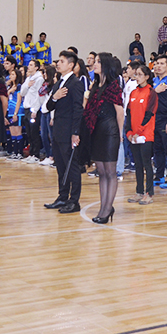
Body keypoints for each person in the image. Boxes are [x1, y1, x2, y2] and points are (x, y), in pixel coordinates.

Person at [81, 53, 124, 223]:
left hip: (109, 130)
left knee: (110, 171)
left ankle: (107, 209)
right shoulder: (95, 86)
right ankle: (103, 207)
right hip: (97, 130)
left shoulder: (113, 86)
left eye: (98, 61)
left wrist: (120, 134)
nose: (95, 64)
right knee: (101, 172)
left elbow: (119, 111)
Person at [43, 51, 84, 211]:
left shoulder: (76, 84)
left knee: (71, 166)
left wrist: (75, 132)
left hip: (69, 132)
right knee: (60, 166)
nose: (58, 64)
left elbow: (78, 110)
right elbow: (48, 106)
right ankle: (62, 196)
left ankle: (74, 201)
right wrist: (55, 97)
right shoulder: (58, 83)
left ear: (71, 65)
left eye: (61, 61)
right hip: (58, 130)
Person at [125, 64, 158, 205]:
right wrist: (129, 132)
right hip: (134, 136)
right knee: (137, 164)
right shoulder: (133, 93)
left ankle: (149, 193)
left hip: (146, 135)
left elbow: (149, 114)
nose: (137, 77)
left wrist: (138, 131)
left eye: (139, 74)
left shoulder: (151, 93)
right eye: (136, 74)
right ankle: (139, 191)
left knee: (146, 164)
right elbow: (129, 113)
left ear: (146, 76)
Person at [152, 56, 167, 188]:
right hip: (155, 118)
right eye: (156, 63)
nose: (158, 66)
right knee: (158, 149)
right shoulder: (154, 81)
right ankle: (159, 175)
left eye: (162, 63)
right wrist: (154, 91)